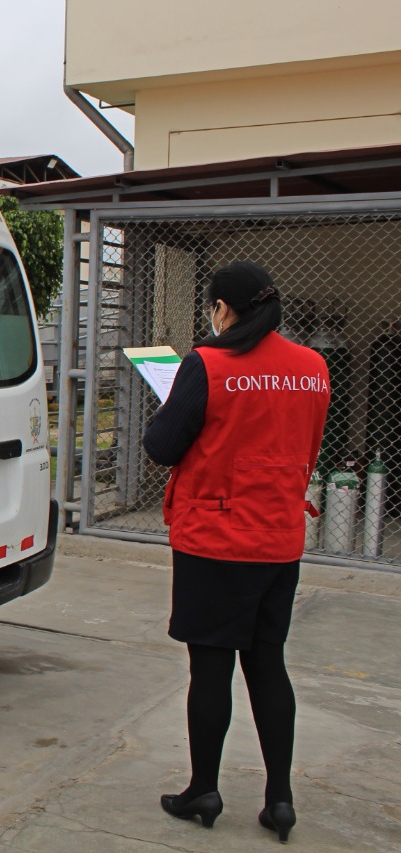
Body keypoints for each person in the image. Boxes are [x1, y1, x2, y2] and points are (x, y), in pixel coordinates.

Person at [143, 261, 330, 844]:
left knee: (212, 668)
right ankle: (279, 799)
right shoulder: (313, 368)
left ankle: (205, 787)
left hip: (216, 540)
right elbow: (306, 444)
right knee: (268, 663)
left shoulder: (208, 364)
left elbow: (161, 445)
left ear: (224, 309)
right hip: (278, 541)